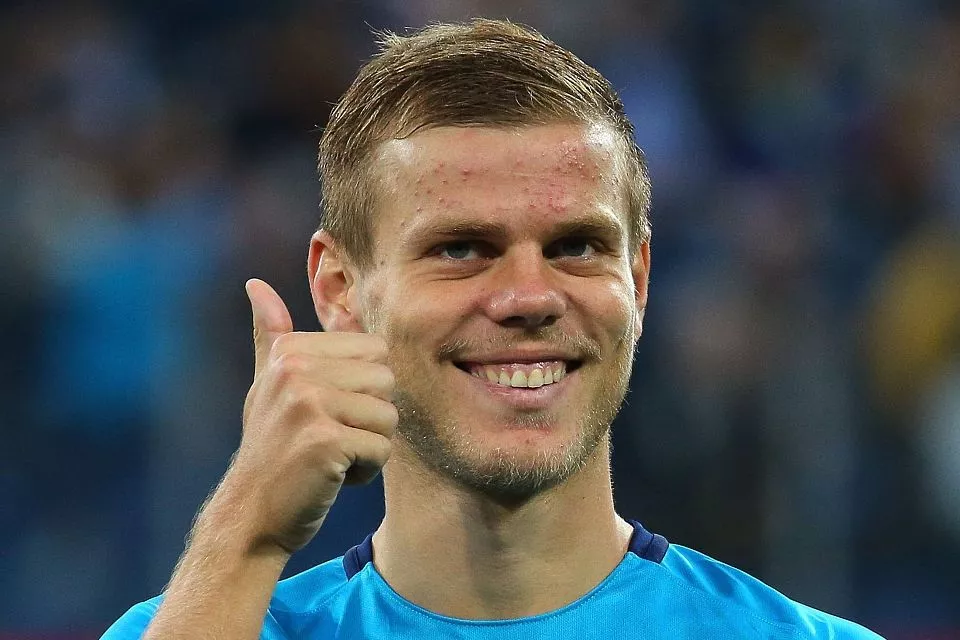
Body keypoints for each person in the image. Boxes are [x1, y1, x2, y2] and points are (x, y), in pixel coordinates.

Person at [103, 19, 883, 639]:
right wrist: (245, 532)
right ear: (339, 291)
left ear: (638, 281)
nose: (529, 296)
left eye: (575, 246)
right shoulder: (209, 620)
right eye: (461, 249)